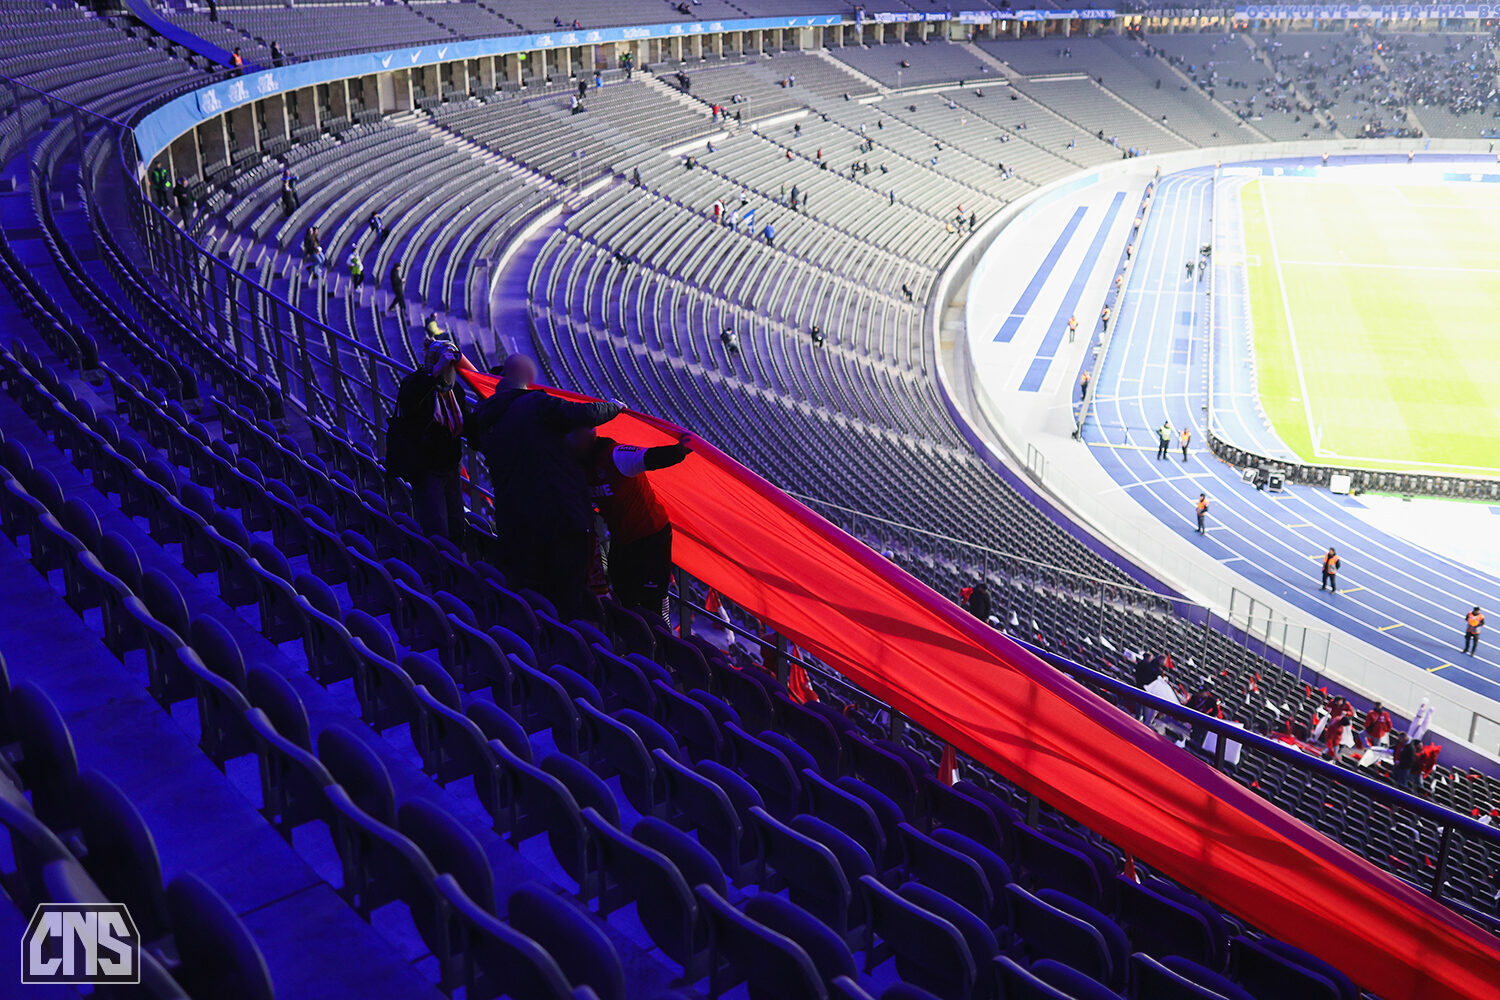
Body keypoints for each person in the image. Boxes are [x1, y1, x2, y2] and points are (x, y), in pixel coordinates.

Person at [467, 354, 622, 619]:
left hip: (514, 519)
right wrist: (615, 407)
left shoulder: (484, 419)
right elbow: (582, 414)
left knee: (529, 591)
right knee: (565, 597)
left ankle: (535, 639)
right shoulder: (535, 404)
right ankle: (564, 649)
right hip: (556, 518)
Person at [580, 429, 692, 622]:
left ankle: (656, 647)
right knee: (624, 596)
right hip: (623, 539)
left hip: (651, 537)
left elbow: (652, 457)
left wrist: (681, 450)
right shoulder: (576, 465)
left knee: (652, 602)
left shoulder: (616, 455)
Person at [390, 339, 468, 544]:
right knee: (436, 530)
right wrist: (436, 370)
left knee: (456, 525)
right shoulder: (417, 385)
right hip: (426, 469)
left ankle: (456, 568)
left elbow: (466, 423)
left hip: (451, 467)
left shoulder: (455, 390)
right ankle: (438, 571)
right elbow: (412, 400)